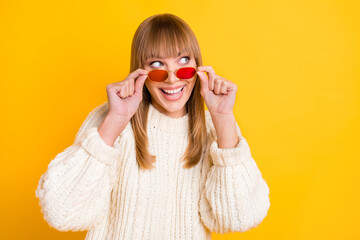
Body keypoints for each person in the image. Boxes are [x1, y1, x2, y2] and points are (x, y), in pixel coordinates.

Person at [35, 13, 270, 240]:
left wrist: (223, 117)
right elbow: (62, 213)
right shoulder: (114, 120)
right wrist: (117, 119)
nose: (172, 78)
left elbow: (238, 219)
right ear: (141, 72)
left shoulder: (216, 129)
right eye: (157, 64)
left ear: (199, 66)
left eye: (184, 61)